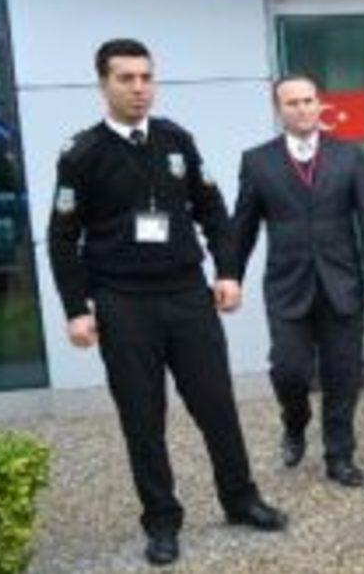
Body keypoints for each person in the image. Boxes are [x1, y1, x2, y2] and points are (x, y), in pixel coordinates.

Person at [47, 38, 286, 567]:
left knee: (217, 405)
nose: (139, 88)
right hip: (123, 303)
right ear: (103, 85)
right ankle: (161, 520)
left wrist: (227, 271)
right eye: (126, 78)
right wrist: (76, 309)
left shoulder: (177, 140)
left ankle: (240, 498)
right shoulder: (82, 153)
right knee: (142, 418)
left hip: (186, 296)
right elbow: (62, 238)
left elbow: (213, 210)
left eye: (146, 77)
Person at [227, 74, 364, 488]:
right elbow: (242, 227)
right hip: (287, 284)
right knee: (289, 370)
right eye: (292, 103)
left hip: (342, 282)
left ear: (320, 104)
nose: (301, 109)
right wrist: (230, 275)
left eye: (307, 101)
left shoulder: (349, 155)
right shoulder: (257, 161)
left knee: (343, 374)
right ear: (278, 109)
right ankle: (294, 421)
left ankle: (340, 454)